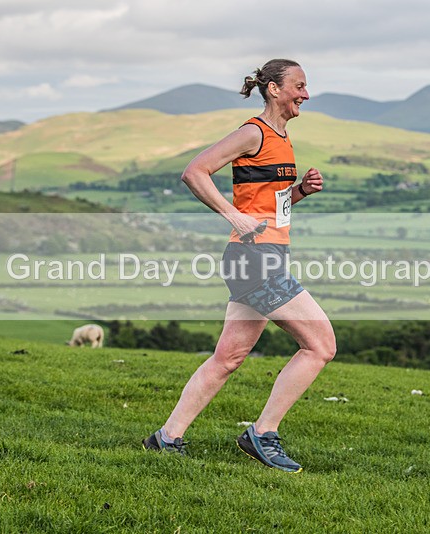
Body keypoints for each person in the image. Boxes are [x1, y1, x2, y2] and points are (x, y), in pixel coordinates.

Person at [143, 59, 336, 473]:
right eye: (299, 86)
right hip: (254, 260)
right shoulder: (253, 132)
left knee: (228, 357)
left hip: (265, 254)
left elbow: (269, 208)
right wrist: (231, 215)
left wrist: (300, 190)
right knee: (321, 345)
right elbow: (194, 172)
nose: (306, 94)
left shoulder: (282, 139)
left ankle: (167, 437)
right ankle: (262, 433)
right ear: (273, 90)